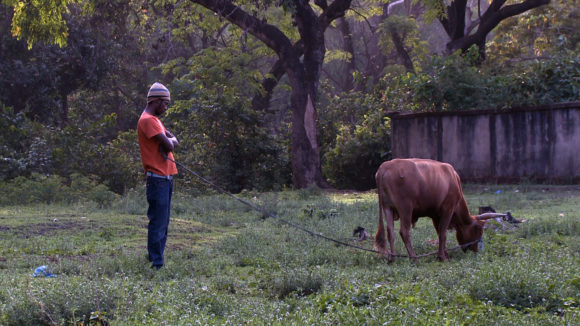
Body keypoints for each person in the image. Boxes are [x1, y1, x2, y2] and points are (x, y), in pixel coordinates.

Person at [137, 82, 179, 270]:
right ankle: (156, 264)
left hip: (166, 177)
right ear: (156, 101)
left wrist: (170, 139)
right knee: (158, 222)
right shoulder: (148, 120)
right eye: (165, 104)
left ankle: (157, 259)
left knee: (163, 222)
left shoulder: (155, 120)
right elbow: (170, 143)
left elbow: (170, 138)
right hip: (158, 178)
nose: (166, 108)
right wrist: (171, 140)